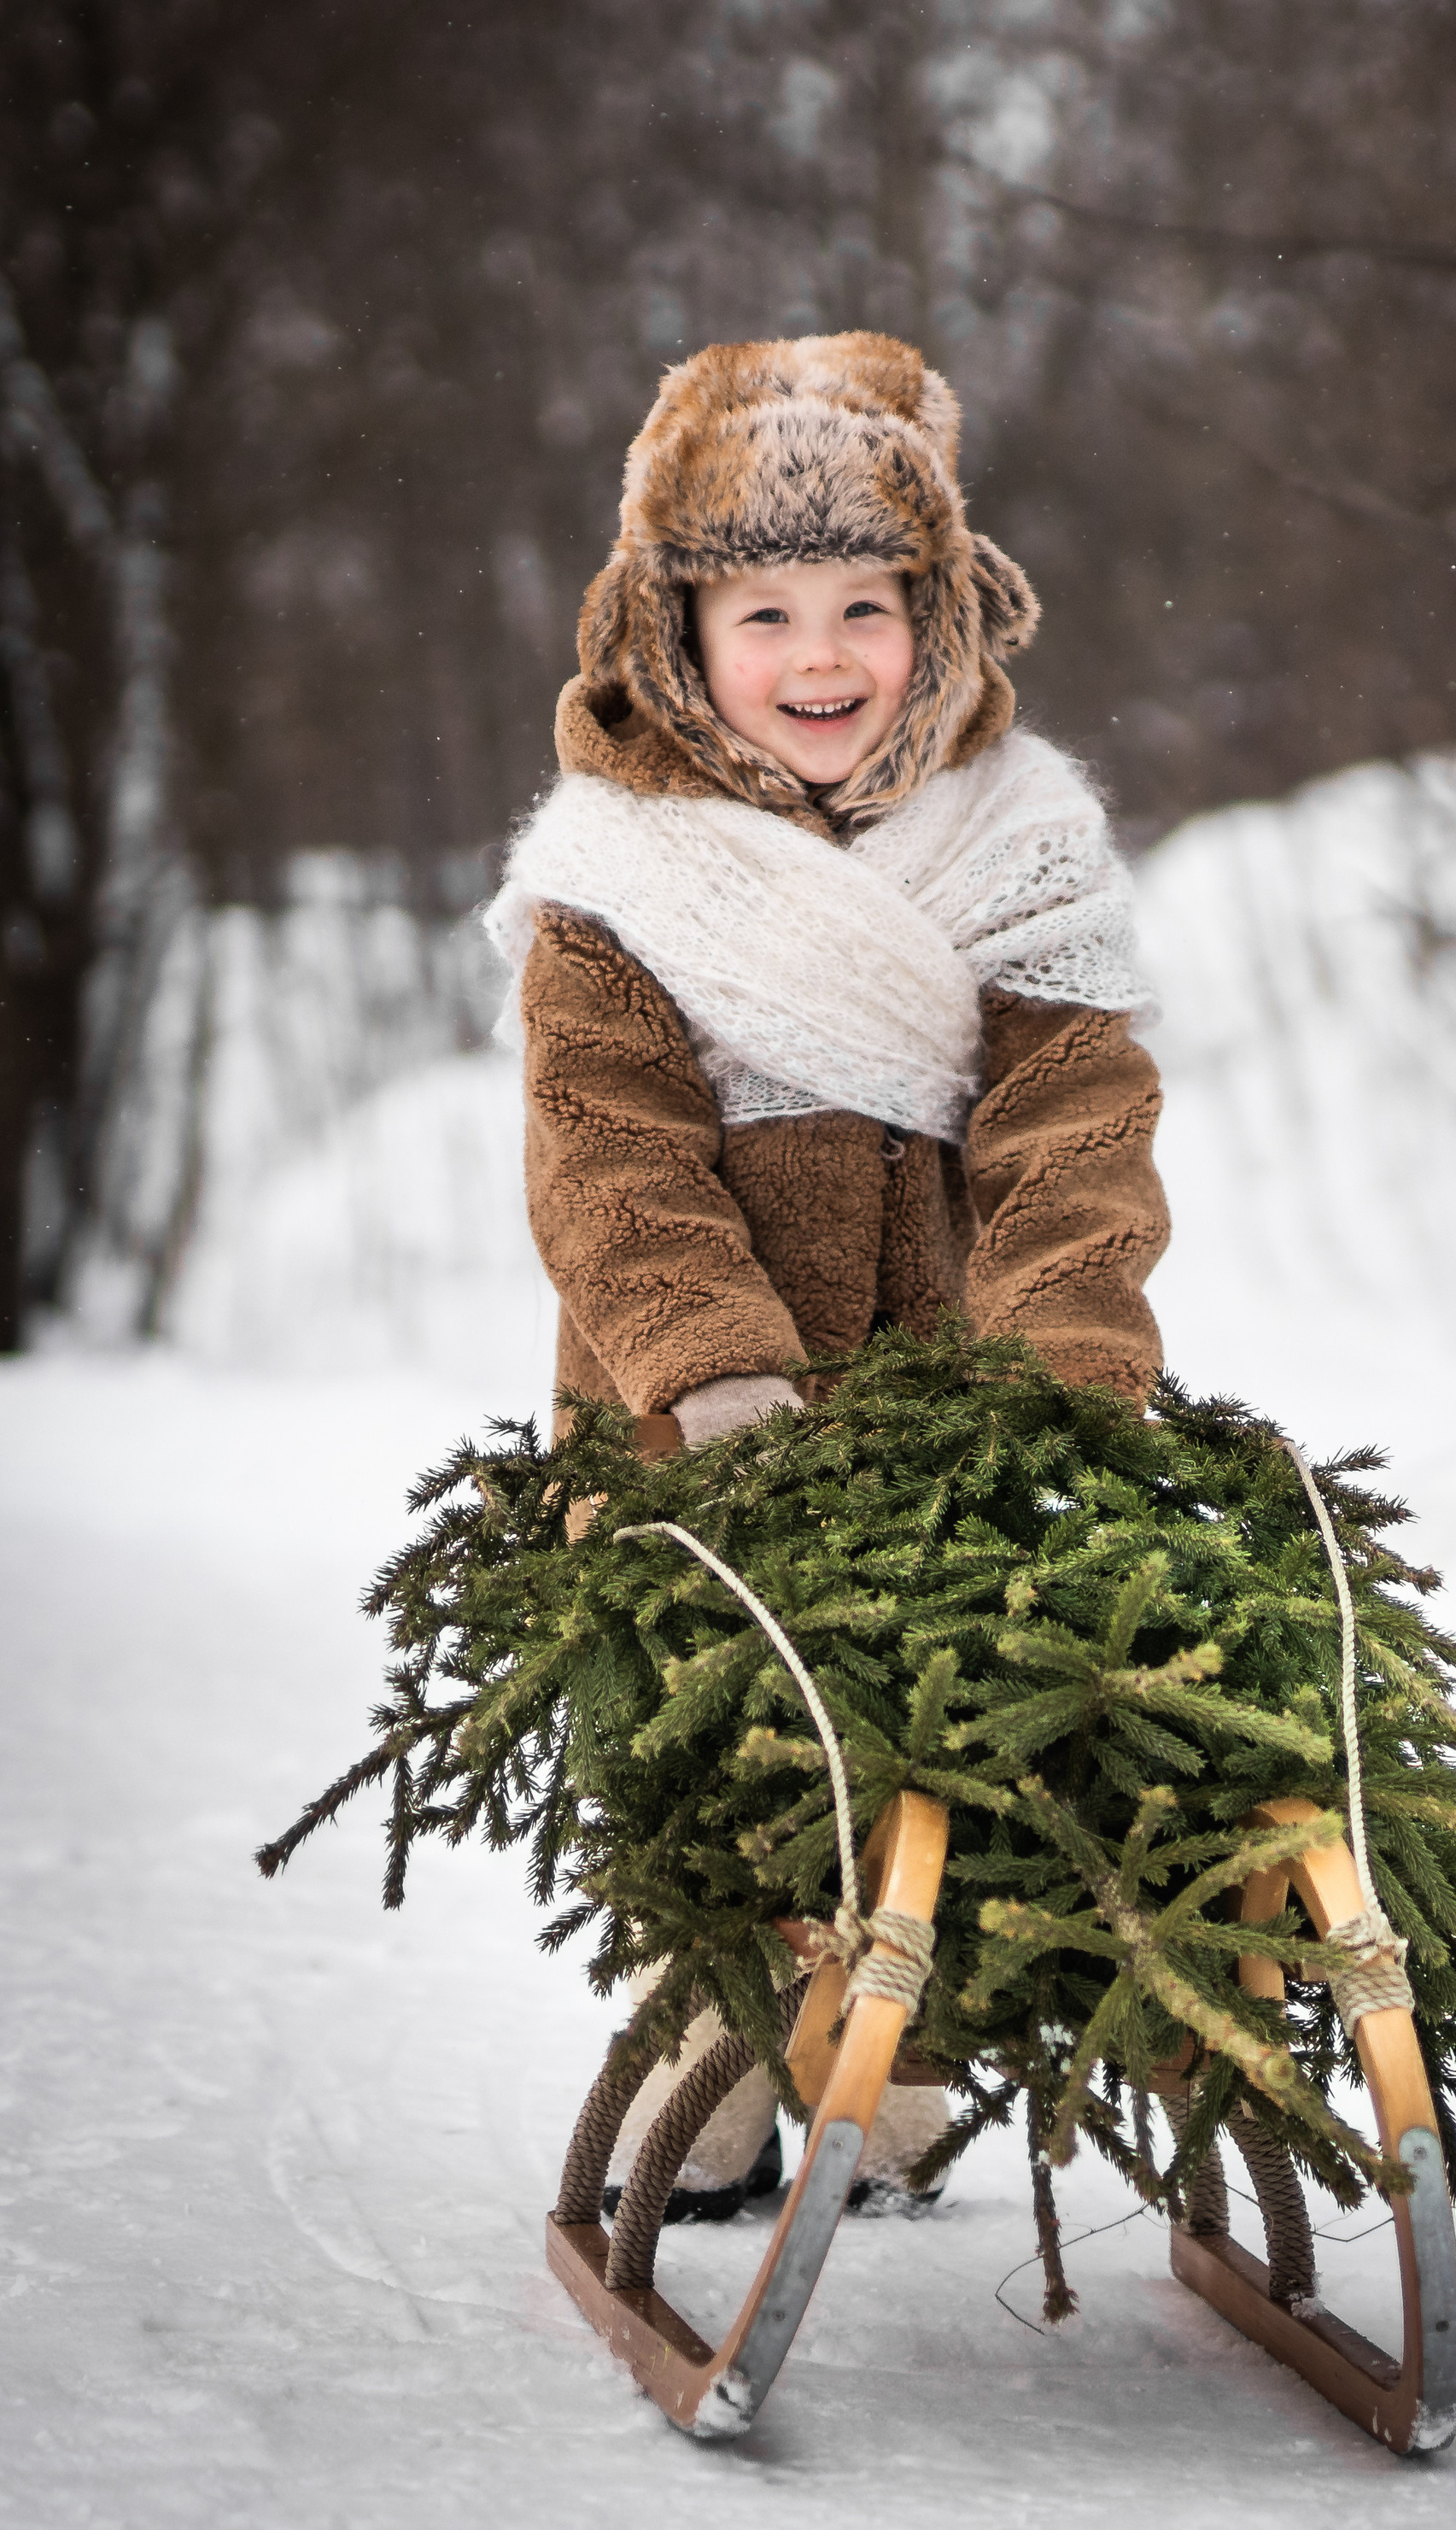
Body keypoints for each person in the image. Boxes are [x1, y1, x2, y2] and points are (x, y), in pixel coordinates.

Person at [485, 329, 1170, 2211]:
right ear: (676, 632)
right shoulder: (620, 876)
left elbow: (1072, 1128)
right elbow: (606, 1150)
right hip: (688, 1405)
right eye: (761, 611)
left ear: (937, 613)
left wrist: (1060, 1365)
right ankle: (711, 2016)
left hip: (940, 1378)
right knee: (717, 1721)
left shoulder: (1019, 844)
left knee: (946, 1710)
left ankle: (899, 2033)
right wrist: (707, 1363)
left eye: (864, 604)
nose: (819, 659)